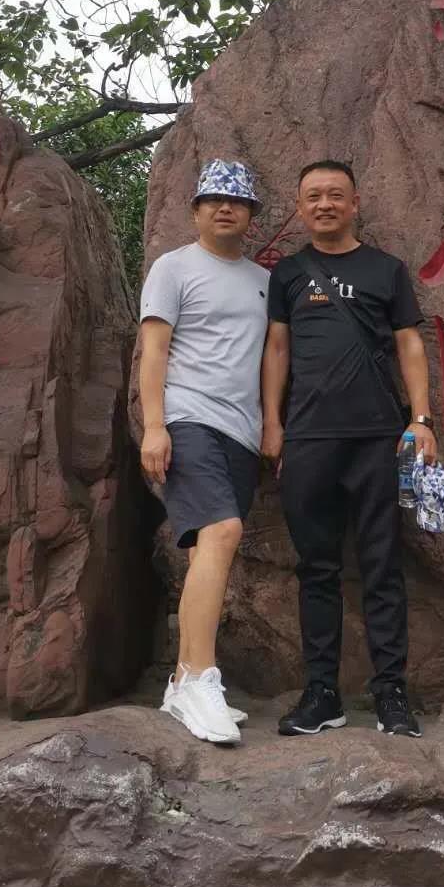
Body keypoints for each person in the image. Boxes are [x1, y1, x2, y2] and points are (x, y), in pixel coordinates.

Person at [262, 160, 438, 738]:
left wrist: (421, 420)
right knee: (317, 569)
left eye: (335, 195)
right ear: (299, 206)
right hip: (308, 438)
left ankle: (391, 692)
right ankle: (321, 694)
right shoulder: (288, 273)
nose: (325, 204)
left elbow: (410, 345)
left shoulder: (386, 270)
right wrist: (272, 423)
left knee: (383, 566)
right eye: (313, 196)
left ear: (355, 203)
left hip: (377, 438)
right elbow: (278, 350)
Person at [138, 159, 269, 746]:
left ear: (250, 215)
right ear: (195, 210)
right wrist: (154, 426)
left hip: (242, 432)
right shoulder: (174, 267)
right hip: (188, 418)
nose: (224, 208)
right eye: (213, 199)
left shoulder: (264, 280)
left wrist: (272, 426)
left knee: (206, 551)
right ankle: (198, 678)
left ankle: (180, 685)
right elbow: (154, 349)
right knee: (222, 531)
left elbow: (272, 357)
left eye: (236, 201)